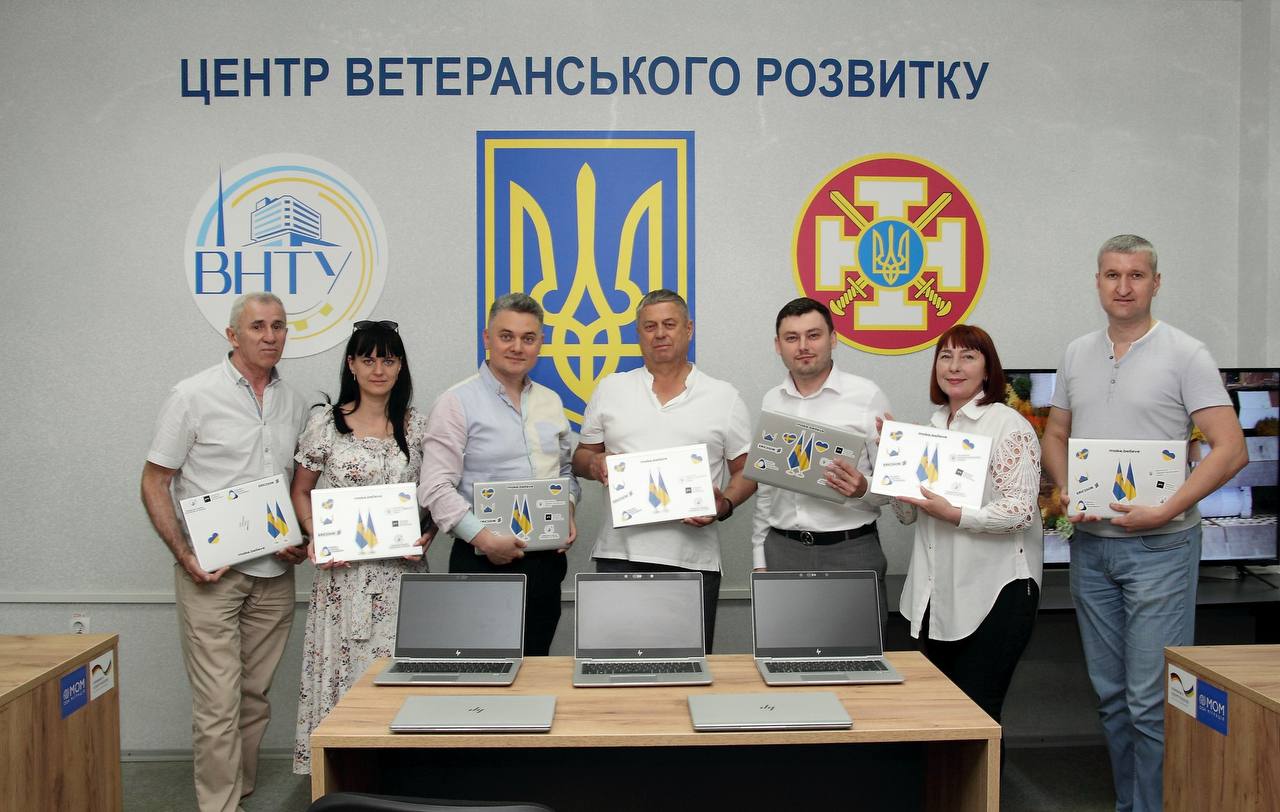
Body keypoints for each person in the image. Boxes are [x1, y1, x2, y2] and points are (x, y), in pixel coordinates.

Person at [1041, 235, 1246, 812]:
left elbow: (1231, 449)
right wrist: (1066, 487)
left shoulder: (1187, 354)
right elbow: (1056, 434)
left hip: (1161, 549)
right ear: (1098, 282)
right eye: (1112, 275)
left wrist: (1168, 507)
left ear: (1156, 283)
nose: (1124, 286)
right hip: (1091, 548)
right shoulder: (1077, 353)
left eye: (1136, 275)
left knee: (1152, 701)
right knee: (1111, 697)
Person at [140, 292, 309, 812]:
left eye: (278, 326)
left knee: (254, 698)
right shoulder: (192, 395)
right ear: (233, 335)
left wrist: (300, 540)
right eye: (257, 326)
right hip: (212, 575)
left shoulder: (295, 403)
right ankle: (220, 805)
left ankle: (242, 789)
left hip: (274, 574)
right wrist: (184, 553)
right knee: (217, 701)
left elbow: (296, 488)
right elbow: (154, 481)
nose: (270, 336)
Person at [572, 289, 756, 651]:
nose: (660, 334)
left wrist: (723, 505)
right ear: (639, 333)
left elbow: (747, 470)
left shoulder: (723, 396)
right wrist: (594, 463)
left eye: (669, 324)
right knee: (614, 666)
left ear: (688, 329)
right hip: (619, 557)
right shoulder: (611, 388)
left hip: (692, 563)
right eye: (650, 326)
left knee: (686, 667)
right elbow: (581, 457)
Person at [289, 320, 434, 774]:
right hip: (343, 580)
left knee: (399, 677)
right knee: (345, 676)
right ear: (351, 364)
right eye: (368, 359)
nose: (378, 369)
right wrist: (314, 533)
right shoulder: (325, 424)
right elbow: (300, 491)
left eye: (388, 359)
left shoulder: (417, 426)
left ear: (400, 366)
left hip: (402, 578)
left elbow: (435, 495)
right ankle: (343, 776)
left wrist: (427, 532)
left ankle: (402, 775)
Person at [893, 324, 1043, 733]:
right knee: (944, 718)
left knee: (979, 717)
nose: (954, 366)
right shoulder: (932, 426)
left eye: (968, 357)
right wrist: (892, 464)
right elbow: (908, 515)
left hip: (995, 593)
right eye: (946, 356)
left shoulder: (1008, 425)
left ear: (988, 369)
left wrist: (955, 514)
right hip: (938, 595)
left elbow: (1020, 511)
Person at [417, 293, 579, 655]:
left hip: (546, 564)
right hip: (482, 561)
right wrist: (485, 540)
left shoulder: (551, 402)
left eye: (528, 338)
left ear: (540, 342)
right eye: (507, 336)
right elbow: (435, 487)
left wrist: (567, 508)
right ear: (487, 338)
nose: (517, 347)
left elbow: (565, 472)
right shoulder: (456, 402)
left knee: (534, 671)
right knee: (482, 676)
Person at [750, 297, 894, 624]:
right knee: (786, 648)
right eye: (792, 338)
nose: (803, 346)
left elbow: (895, 488)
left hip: (851, 550)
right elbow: (766, 488)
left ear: (833, 338)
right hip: (782, 551)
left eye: (813, 335)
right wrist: (760, 558)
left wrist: (863, 488)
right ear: (778, 345)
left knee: (859, 650)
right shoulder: (772, 400)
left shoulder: (866, 396)